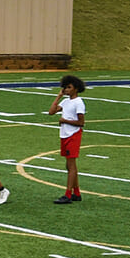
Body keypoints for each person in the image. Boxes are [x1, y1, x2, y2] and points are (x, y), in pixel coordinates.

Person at [48, 75, 86, 204]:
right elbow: (51, 112)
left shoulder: (78, 102)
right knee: (69, 165)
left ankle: (68, 194)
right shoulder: (66, 102)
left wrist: (65, 120)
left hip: (73, 135)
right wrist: (59, 96)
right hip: (64, 134)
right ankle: (76, 193)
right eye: (65, 87)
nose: (66, 90)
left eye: (69, 87)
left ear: (76, 88)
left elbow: (81, 122)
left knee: (71, 165)